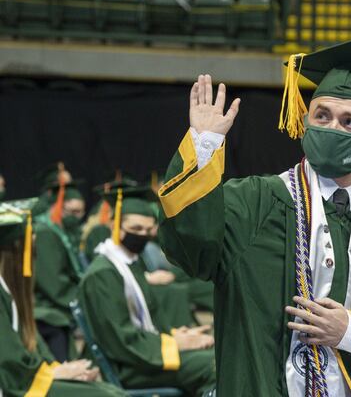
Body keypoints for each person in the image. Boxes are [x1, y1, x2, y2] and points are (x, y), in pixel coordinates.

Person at [157, 40, 351, 396]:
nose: (333, 127)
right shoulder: (256, 202)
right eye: (323, 116)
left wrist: (349, 331)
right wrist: (204, 146)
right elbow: (190, 247)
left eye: (350, 122)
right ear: (305, 120)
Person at [78, 186, 216, 395]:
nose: (142, 235)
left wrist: (178, 335)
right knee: (213, 366)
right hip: (127, 365)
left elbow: (146, 319)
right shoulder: (102, 275)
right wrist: (175, 344)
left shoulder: (131, 263)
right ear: (115, 226)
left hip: (144, 354)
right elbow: (120, 340)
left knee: (216, 356)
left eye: (148, 230)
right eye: (135, 229)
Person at [0, 197, 126, 397]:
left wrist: (58, 371)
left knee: (109, 391)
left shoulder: (8, 291)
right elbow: (9, 365)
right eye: (32, 250)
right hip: (18, 388)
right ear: (17, 252)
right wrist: (54, 372)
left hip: (29, 381)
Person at [33, 169, 87, 362]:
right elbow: (53, 284)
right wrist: (84, 298)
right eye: (71, 212)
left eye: (80, 212)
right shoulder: (45, 233)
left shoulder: (61, 231)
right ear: (57, 207)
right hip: (45, 303)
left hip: (58, 299)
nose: (77, 217)